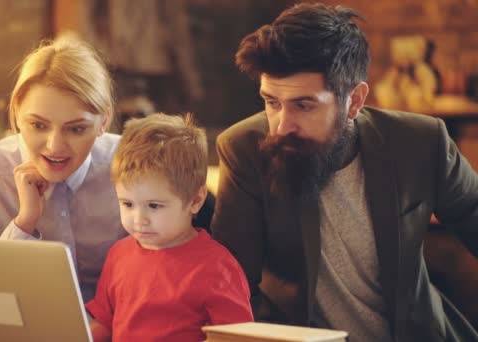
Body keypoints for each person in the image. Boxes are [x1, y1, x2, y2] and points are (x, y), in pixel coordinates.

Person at [211, 3, 478, 342]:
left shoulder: (421, 143)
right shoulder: (245, 150)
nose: (281, 126)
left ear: (354, 101)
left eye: (304, 105)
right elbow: (231, 288)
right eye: (271, 102)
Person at [0, 36, 126, 302]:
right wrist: (24, 223)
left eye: (76, 129)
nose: (55, 146)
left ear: (104, 121)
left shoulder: (133, 166)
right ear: (17, 113)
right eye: (39, 125)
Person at [86, 114, 253, 341]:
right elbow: (105, 323)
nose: (139, 218)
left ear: (195, 201)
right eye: (127, 204)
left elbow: (236, 338)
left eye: (154, 206)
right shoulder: (118, 255)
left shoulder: (218, 268)